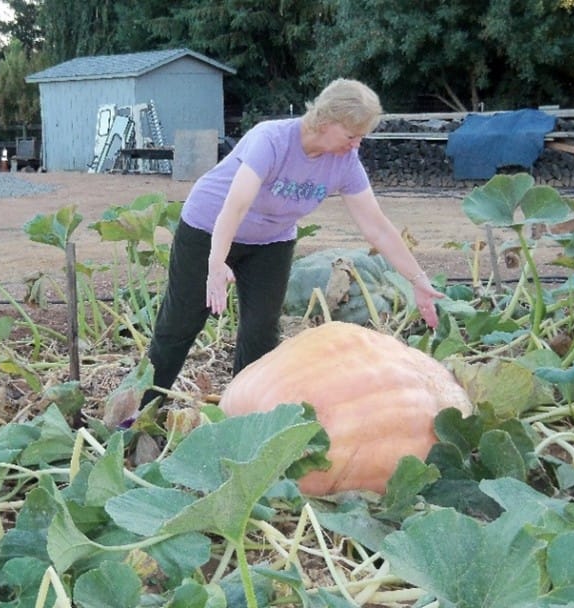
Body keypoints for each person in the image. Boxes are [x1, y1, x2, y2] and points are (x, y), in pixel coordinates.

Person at [141, 78, 444, 407]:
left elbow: (378, 228)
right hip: (209, 228)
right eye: (352, 135)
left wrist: (418, 280)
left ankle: (244, 416)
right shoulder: (271, 139)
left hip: (271, 241)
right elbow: (236, 204)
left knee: (262, 330)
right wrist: (216, 263)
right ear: (326, 122)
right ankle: (140, 412)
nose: (357, 145)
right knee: (180, 323)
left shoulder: (345, 163)